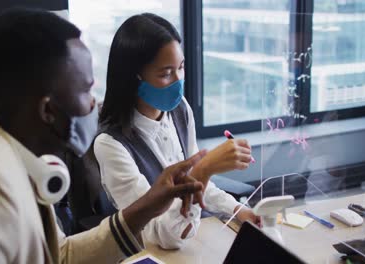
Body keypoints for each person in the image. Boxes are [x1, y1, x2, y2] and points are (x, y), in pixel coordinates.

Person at [0, 8, 207, 263]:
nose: (92, 105)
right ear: (48, 109)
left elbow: (59, 256)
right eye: (85, 90)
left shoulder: (20, 162)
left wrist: (148, 205)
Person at [93, 13, 260, 249]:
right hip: (153, 251)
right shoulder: (111, 144)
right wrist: (204, 169)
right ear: (134, 78)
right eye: (165, 73)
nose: (178, 80)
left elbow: (199, 182)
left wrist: (236, 209)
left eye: (180, 67)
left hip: (193, 237)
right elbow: (163, 235)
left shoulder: (180, 110)